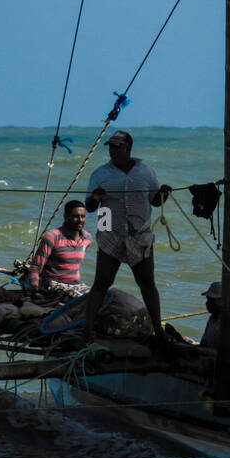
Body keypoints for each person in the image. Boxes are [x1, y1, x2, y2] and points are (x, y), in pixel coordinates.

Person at [82, 130, 171, 349]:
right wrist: (95, 197)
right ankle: (87, 331)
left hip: (139, 235)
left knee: (147, 284)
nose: (112, 151)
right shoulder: (100, 174)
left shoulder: (146, 172)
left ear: (128, 149)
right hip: (110, 234)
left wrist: (164, 194)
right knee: (101, 284)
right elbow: (90, 208)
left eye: (117, 147)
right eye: (110, 147)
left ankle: (158, 331)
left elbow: (155, 201)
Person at [27, 200, 92, 300]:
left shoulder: (87, 238)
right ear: (66, 217)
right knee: (82, 300)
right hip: (52, 283)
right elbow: (35, 266)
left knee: (101, 296)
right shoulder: (52, 237)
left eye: (83, 216)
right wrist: (35, 289)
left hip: (75, 284)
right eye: (76, 216)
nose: (80, 220)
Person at [199, 281, 230, 357]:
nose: (207, 303)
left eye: (212, 300)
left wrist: (200, 350)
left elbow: (225, 353)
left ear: (223, 301)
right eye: (207, 299)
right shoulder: (212, 319)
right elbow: (204, 343)